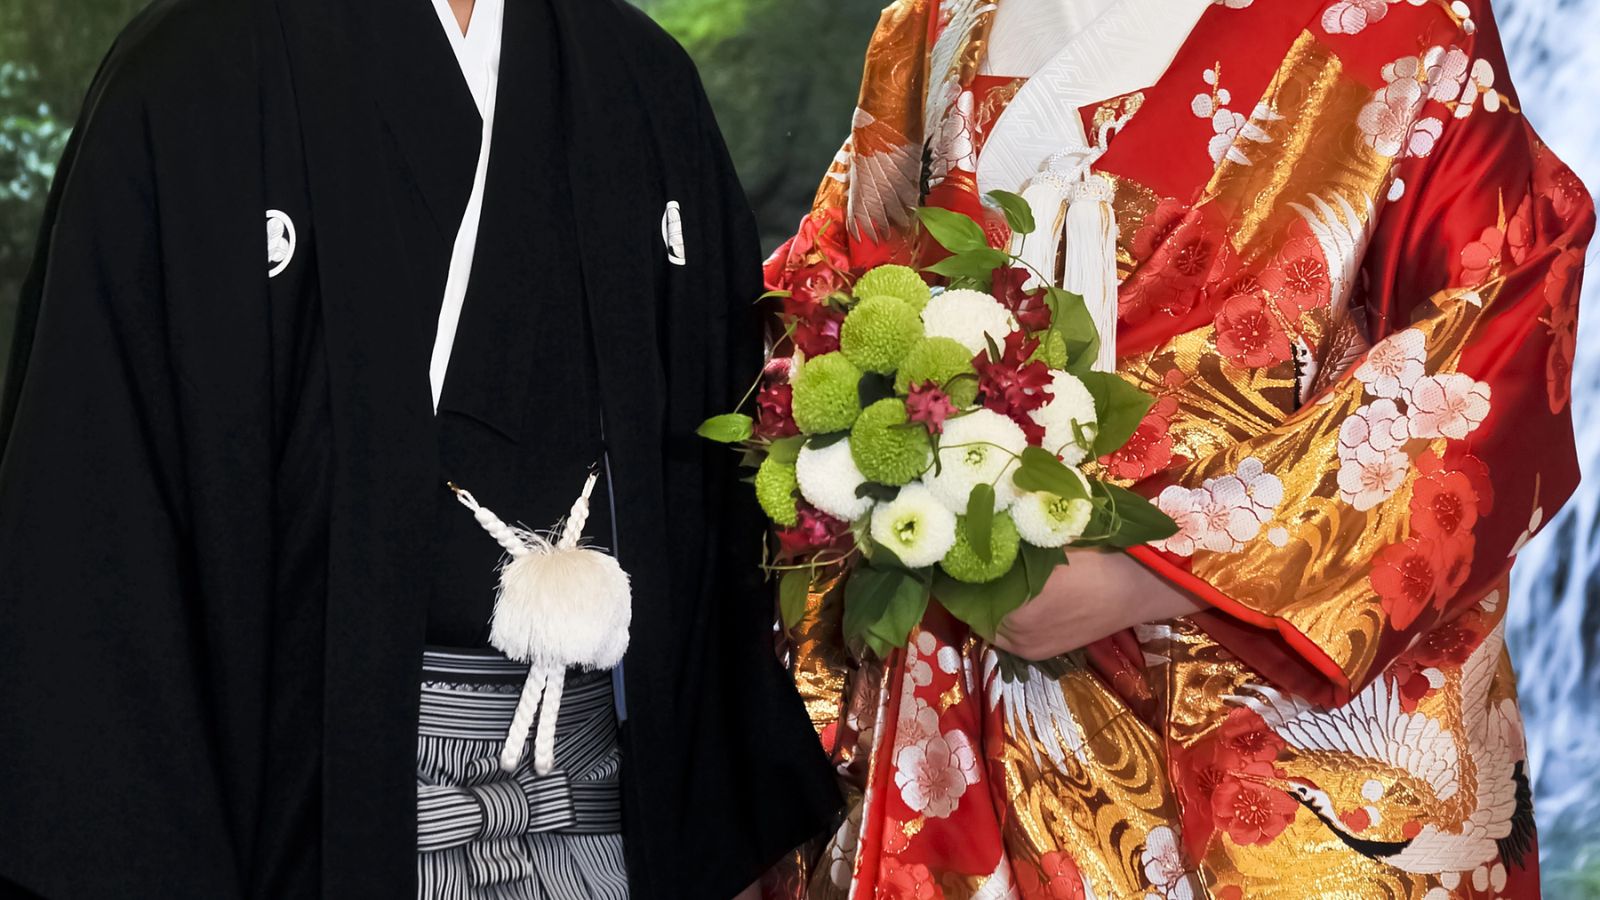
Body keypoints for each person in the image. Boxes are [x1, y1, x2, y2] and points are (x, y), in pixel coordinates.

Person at [0, 0, 839, 896]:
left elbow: (709, 545)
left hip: (602, 825)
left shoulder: (640, 77)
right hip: (306, 825)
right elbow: (96, 534)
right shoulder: (193, 74)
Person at [762, 0, 1592, 897]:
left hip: (1277, 726)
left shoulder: (1407, 21)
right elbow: (828, 307)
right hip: (971, 681)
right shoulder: (928, 27)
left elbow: (1502, 311)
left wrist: (1158, 564)